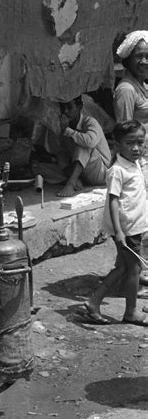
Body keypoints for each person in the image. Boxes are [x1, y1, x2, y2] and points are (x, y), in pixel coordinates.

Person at [83, 120, 148, 327]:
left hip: (134, 226)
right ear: (118, 145)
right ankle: (131, 312)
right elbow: (112, 200)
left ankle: (93, 302)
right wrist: (119, 231)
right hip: (127, 229)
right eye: (130, 143)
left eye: (140, 142)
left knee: (122, 267)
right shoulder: (117, 170)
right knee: (134, 269)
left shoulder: (135, 164)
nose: (136, 148)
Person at [113, 31, 148, 287]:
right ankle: (129, 274)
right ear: (127, 60)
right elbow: (124, 132)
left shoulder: (142, 85)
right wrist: (132, 169)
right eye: (139, 56)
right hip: (139, 164)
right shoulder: (126, 89)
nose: (145, 61)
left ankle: (136, 272)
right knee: (134, 224)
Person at [56, 96, 112, 197]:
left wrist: (68, 131)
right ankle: (75, 179)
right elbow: (62, 153)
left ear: (79, 107)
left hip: (101, 173)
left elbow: (90, 142)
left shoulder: (90, 122)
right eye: (62, 108)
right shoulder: (66, 127)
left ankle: (70, 184)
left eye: (69, 107)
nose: (65, 111)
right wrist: (67, 171)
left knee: (84, 144)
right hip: (83, 173)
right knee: (41, 167)